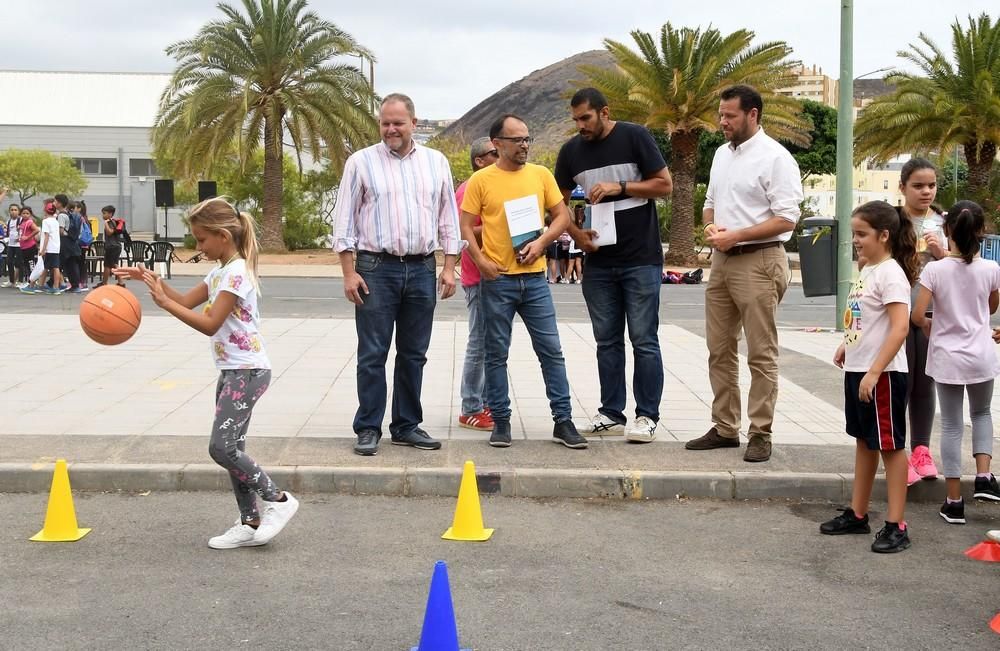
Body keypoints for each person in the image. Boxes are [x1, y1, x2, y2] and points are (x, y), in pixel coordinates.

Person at [114, 197, 298, 549]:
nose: (198, 246)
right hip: (232, 371)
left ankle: (279, 501)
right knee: (233, 449)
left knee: (222, 447)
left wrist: (164, 304)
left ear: (223, 236)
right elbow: (184, 301)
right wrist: (149, 279)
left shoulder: (237, 273)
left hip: (248, 370)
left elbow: (210, 323)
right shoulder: (219, 272)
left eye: (201, 239)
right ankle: (249, 522)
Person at [331, 93, 461, 457]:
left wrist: (449, 268)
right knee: (373, 352)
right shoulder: (361, 163)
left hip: (422, 268)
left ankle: (406, 425)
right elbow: (344, 221)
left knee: (414, 353)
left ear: (414, 124)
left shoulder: (437, 163)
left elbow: (448, 217)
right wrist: (348, 272)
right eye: (385, 123)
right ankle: (368, 427)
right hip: (375, 268)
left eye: (398, 123)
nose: (391, 129)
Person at [685, 85, 802, 462]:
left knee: (760, 353)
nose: (722, 122)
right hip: (722, 262)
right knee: (718, 349)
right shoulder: (721, 154)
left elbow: (787, 218)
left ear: (753, 115)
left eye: (730, 116)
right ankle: (724, 427)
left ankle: (760, 432)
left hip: (760, 261)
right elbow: (710, 204)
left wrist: (738, 234)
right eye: (721, 115)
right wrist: (710, 228)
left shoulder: (776, 158)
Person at [460, 113, 587, 450]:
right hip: (497, 280)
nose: (525, 145)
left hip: (534, 281)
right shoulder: (481, 181)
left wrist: (542, 243)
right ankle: (501, 423)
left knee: (551, 352)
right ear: (497, 144)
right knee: (495, 355)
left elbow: (561, 216)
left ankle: (563, 421)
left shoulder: (540, 175)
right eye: (517, 140)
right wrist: (481, 260)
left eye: (527, 139)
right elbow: (464, 226)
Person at [555, 87, 672, 442]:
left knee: (643, 339)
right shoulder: (571, 152)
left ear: (605, 112)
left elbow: (664, 186)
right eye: (575, 119)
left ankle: (647, 416)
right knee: (606, 341)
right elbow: (555, 203)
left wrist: (620, 187)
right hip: (599, 263)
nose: (580, 126)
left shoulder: (634, 136)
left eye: (585, 118)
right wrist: (575, 233)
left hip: (641, 259)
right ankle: (611, 413)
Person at [822, 201, 917, 553]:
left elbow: (899, 327)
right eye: (854, 234)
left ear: (884, 235)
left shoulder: (892, 273)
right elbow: (865, 319)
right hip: (860, 370)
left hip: (884, 376)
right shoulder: (869, 270)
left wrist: (875, 370)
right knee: (864, 442)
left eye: (862, 234)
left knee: (890, 447)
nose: (856, 241)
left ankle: (897, 524)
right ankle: (858, 514)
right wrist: (847, 345)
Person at [911, 201, 1000, 525]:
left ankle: (953, 501)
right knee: (981, 413)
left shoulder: (934, 270)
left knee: (950, 424)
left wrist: (929, 325)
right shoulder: (992, 269)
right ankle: (983, 477)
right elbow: (990, 307)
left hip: (947, 356)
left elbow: (918, 314)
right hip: (980, 354)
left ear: (947, 231)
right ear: (981, 232)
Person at [895, 158, 946, 485]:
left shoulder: (945, 222)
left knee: (925, 386)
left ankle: (922, 450)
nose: (926, 191)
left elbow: (963, 264)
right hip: (897, 313)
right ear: (903, 188)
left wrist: (943, 254)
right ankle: (898, 454)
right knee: (901, 384)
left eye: (931, 185)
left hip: (931, 316)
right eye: (918, 185)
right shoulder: (892, 220)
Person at [455, 137, 499, 432]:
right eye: (494, 153)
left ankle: (483, 403)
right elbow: (464, 231)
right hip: (478, 277)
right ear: (479, 160)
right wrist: (501, 224)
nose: (501, 156)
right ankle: (470, 407)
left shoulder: (493, 186)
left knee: (491, 344)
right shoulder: (469, 188)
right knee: (479, 343)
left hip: (496, 276)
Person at [21, 200, 62, 294]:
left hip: (48, 248)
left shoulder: (46, 221)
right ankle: (51, 287)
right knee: (52, 267)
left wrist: (43, 249)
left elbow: (46, 236)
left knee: (43, 267)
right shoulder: (55, 221)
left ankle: (33, 285)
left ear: (45, 210)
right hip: (55, 247)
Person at [54, 194, 83, 292]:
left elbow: (61, 231)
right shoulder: (68, 214)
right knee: (71, 264)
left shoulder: (61, 215)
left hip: (65, 242)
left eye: (55, 201)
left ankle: (52, 284)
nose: (54, 203)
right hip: (72, 242)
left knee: (58, 264)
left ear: (59, 203)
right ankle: (75, 286)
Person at [99, 205, 126, 288]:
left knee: (110, 265)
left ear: (110, 214)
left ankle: (118, 282)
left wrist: (106, 224)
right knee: (110, 264)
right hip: (116, 246)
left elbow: (109, 232)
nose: (103, 215)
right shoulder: (114, 222)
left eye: (104, 213)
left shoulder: (110, 222)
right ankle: (107, 282)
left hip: (111, 246)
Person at [16, 206, 39, 286]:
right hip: (23, 247)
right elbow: (22, 233)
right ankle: (30, 280)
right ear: (20, 214)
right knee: (26, 264)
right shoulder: (22, 222)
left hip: (30, 246)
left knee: (31, 264)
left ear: (30, 214)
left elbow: (37, 230)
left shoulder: (29, 222)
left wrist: (28, 237)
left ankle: (33, 281)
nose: (25, 215)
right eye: (23, 213)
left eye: (27, 213)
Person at [4, 202, 20, 288]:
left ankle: (18, 281)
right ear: (9, 211)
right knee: (9, 262)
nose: (13, 211)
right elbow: (8, 232)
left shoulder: (21, 220)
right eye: (12, 210)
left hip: (19, 245)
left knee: (19, 263)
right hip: (11, 244)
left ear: (18, 211)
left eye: (15, 210)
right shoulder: (9, 221)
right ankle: (11, 280)